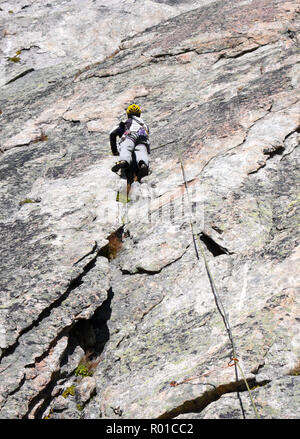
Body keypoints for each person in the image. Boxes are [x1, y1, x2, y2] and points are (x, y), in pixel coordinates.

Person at [109, 104, 150, 180]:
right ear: (139, 114)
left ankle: (124, 161)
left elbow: (112, 133)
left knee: (126, 148)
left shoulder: (125, 122)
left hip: (130, 135)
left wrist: (115, 152)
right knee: (141, 151)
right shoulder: (144, 125)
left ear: (128, 114)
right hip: (142, 138)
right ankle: (142, 163)